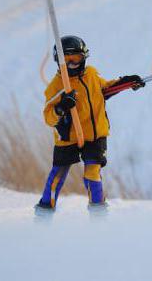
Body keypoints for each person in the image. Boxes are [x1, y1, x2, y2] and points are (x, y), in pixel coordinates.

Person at [35, 35, 145, 214]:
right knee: (58, 175)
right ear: (59, 61)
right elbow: (48, 117)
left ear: (84, 58)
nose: (72, 64)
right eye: (67, 60)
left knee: (92, 173)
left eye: (76, 59)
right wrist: (61, 107)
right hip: (68, 137)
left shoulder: (92, 74)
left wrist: (126, 82)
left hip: (95, 135)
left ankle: (98, 212)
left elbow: (104, 90)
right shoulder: (57, 86)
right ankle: (44, 211)